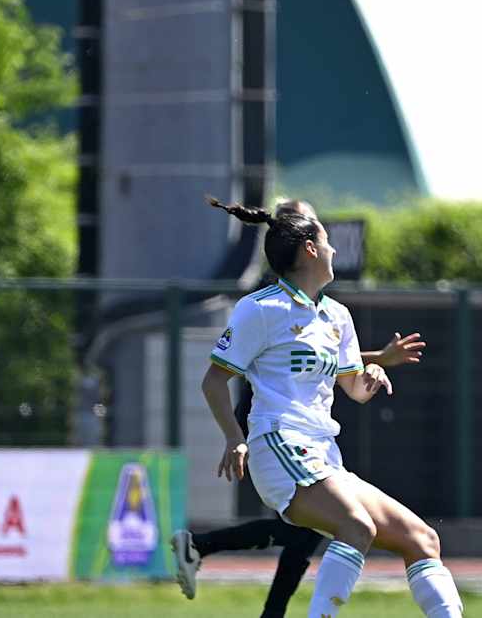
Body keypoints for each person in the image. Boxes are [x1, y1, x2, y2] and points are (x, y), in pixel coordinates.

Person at [198, 196, 463, 617]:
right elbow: (213, 380)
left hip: (324, 454)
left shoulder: (337, 315)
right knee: (356, 526)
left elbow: (353, 389)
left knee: (423, 539)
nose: (333, 249)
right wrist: (235, 438)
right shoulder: (261, 309)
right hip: (279, 444)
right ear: (309, 250)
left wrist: (371, 378)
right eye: (326, 242)